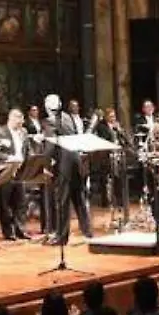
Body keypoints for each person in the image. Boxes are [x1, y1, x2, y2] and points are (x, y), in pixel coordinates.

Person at [42, 94, 92, 246]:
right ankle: (87, 232)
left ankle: (61, 237)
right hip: (76, 160)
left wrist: (46, 165)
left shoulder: (49, 121)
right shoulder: (68, 117)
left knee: (62, 200)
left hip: (64, 164)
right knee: (79, 198)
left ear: (47, 107)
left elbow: (51, 145)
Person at [0, 109, 30, 241]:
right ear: (11, 118)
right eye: (19, 119)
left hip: (20, 171)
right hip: (5, 171)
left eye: (22, 119)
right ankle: (8, 231)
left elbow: (27, 150)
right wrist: (9, 158)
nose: (21, 122)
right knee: (5, 204)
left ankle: (20, 229)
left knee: (21, 202)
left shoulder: (23, 132)